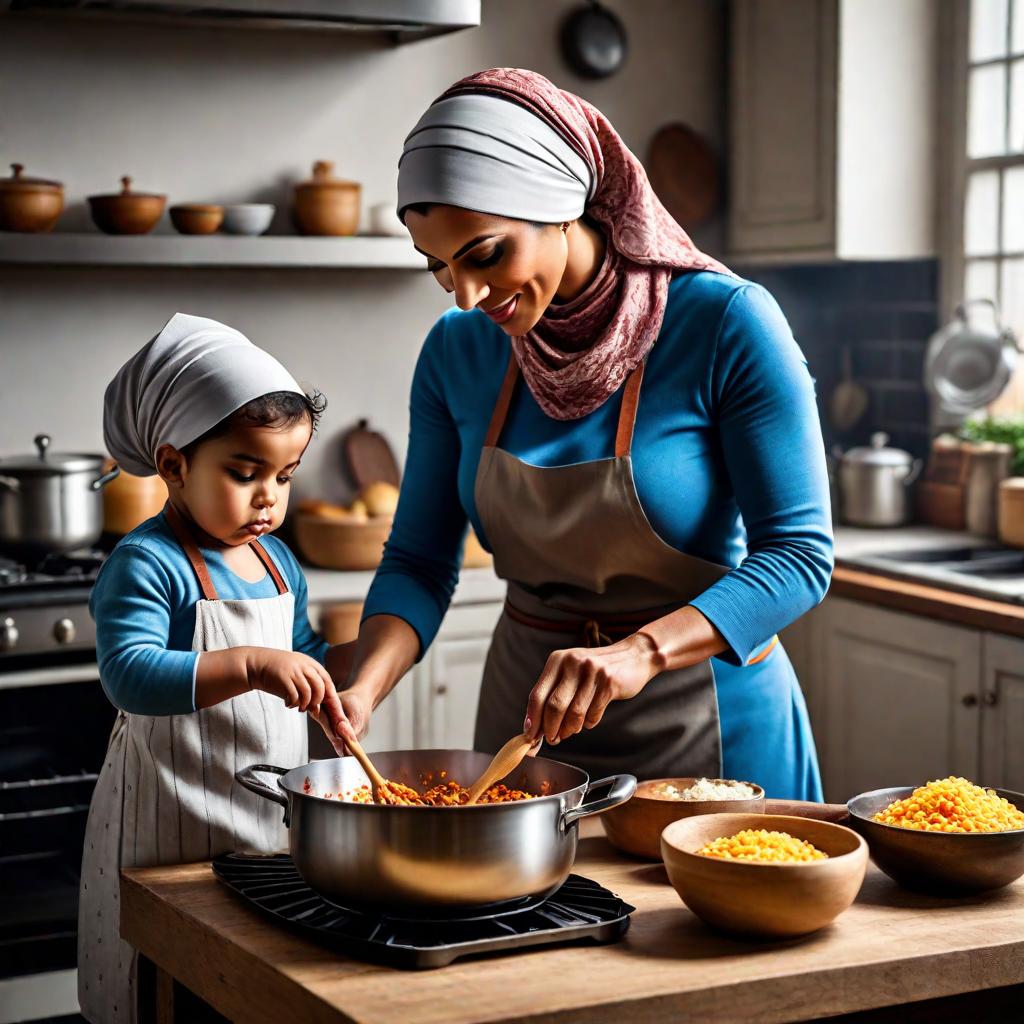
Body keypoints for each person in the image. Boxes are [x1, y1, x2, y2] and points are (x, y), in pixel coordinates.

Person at [336, 67, 832, 803]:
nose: (468, 296)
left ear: (563, 207)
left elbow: (799, 557)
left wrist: (641, 652)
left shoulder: (727, 323)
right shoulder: (457, 352)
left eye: (485, 254)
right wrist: (365, 688)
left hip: (709, 719)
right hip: (526, 726)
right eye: (439, 267)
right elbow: (418, 558)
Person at [77, 312, 351, 1024]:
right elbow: (129, 675)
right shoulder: (148, 562)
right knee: (170, 986)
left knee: (243, 985)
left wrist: (333, 686)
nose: (269, 497)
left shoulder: (276, 559)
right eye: (244, 472)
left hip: (262, 831)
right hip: (167, 831)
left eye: (285, 477)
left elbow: (301, 657)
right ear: (174, 465)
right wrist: (251, 664)